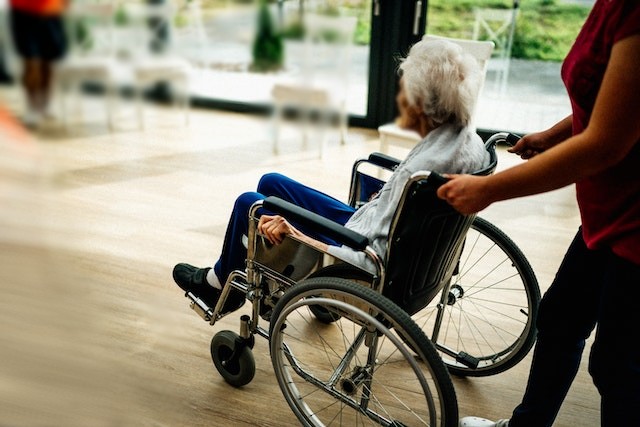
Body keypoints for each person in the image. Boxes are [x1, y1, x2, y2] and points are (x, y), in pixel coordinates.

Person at [172, 38, 491, 313]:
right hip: (372, 229)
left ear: (423, 99)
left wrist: (295, 231)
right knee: (271, 183)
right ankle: (259, 276)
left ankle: (217, 288)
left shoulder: (419, 173)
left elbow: (366, 260)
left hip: (360, 256)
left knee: (250, 204)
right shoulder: (465, 141)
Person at [438, 2, 640, 426]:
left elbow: (607, 141)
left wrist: (489, 189)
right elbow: (612, 95)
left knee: (619, 366)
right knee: (562, 319)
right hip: (608, 209)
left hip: (635, 222)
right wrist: (555, 135)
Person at [8, 0, 68, 128]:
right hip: (24, 10)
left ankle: (46, 103)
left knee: (49, 61)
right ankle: (32, 107)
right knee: (31, 61)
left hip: (52, 11)